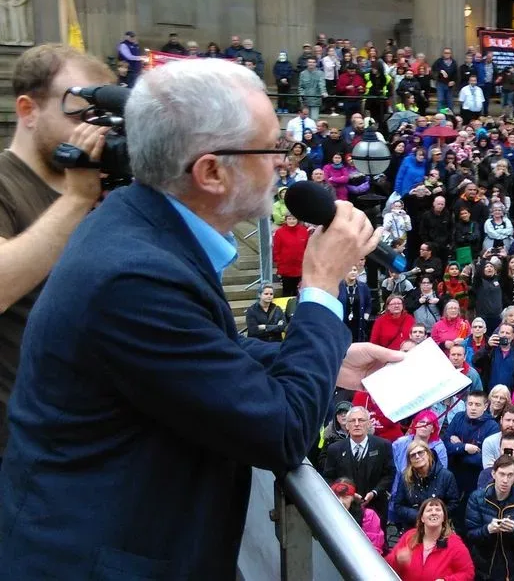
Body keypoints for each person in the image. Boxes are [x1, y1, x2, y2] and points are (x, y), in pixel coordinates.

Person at [0, 57, 405, 576]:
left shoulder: (138, 226)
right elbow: (282, 432)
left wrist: (326, 359)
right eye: (271, 148)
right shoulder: (136, 278)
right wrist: (321, 285)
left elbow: (201, 355)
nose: (285, 163)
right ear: (211, 171)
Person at [0, 45, 114, 463]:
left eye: (100, 117)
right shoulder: (7, 184)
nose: (94, 130)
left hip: (83, 441)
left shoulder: (97, 190)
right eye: (78, 113)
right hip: (17, 451)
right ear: (28, 111)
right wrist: (77, 198)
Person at [465, 455, 514, 581]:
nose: (505, 480)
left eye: (510, 475)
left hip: (513, 568)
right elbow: (470, 535)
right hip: (483, 566)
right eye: (502, 474)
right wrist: (487, 529)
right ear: (493, 474)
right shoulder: (476, 498)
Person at [322, 406, 397, 524]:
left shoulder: (383, 445)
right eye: (352, 421)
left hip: (376, 507)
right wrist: (347, 493)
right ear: (347, 425)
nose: (357, 424)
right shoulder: (334, 449)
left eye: (361, 420)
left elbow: (389, 474)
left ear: (368, 424)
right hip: (345, 509)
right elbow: (328, 478)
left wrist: (374, 492)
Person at [386, 497, 475, 581]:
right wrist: (397, 559)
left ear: (444, 518)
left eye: (438, 510)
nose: (433, 512)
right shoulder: (409, 537)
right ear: (422, 518)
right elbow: (386, 565)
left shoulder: (454, 543)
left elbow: (468, 573)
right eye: (429, 510)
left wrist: (447, 580)